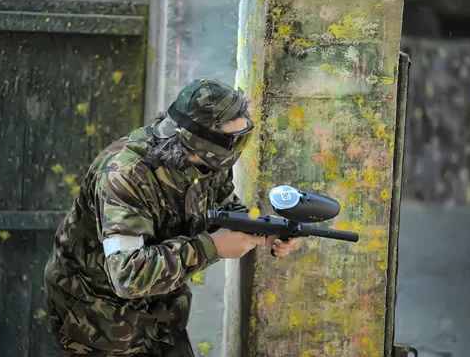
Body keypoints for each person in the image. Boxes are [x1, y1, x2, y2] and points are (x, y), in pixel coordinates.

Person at [43, 78, 302, 356]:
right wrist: (211, 247)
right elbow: (128, 275)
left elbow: (225, 208)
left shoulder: (212, 158)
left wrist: (266, 229)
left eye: (244, 136)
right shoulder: (124, 174)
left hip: (162, 309)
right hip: (97, 318)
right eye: (233, 139)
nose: (237, 148)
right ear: (197, 140)